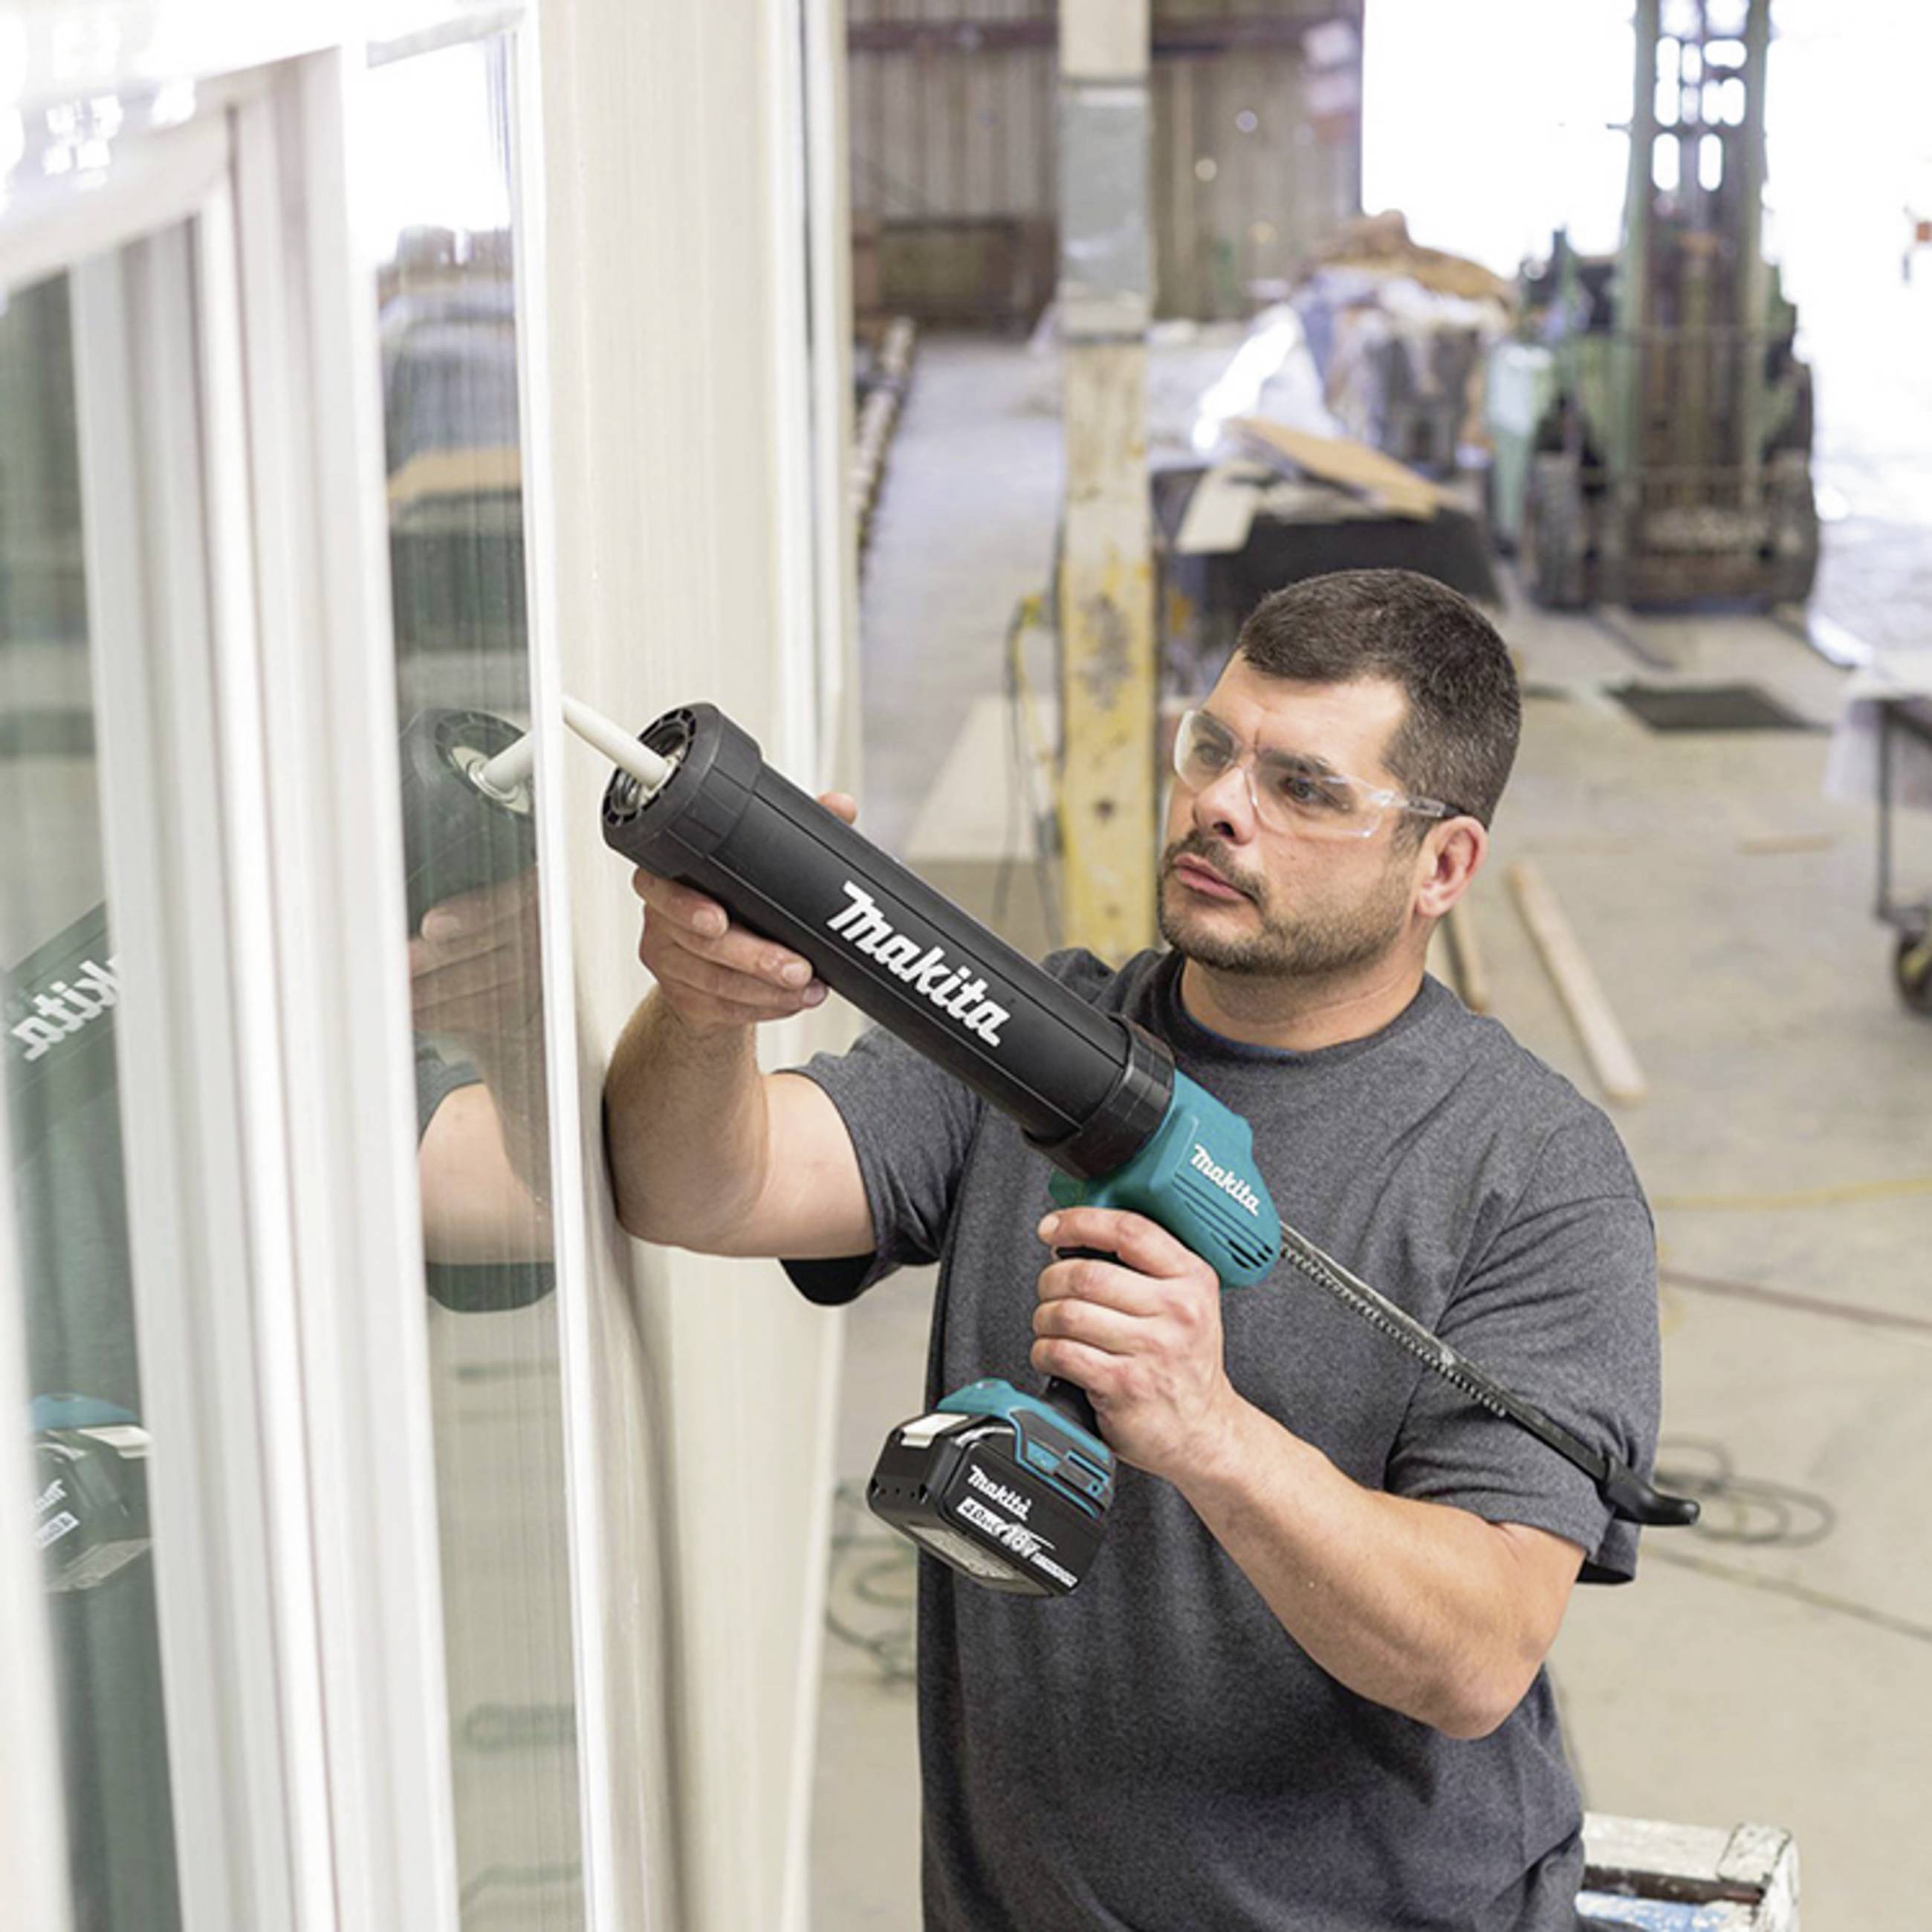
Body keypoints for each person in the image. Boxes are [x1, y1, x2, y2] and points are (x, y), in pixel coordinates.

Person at [604, 567, 1662, 1932]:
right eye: (1210, 747)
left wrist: (1212, 1434)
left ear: (1442, 867)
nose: (1222, 802)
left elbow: (1476, 1658)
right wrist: (699, 1007)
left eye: (1306, 788)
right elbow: (692, 1186)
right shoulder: (1030, 1035)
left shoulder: (1536, 1174)